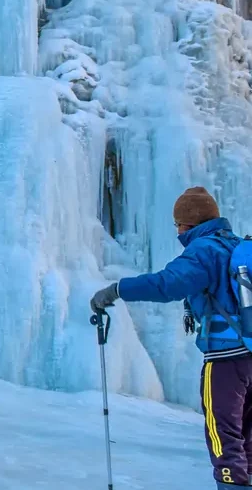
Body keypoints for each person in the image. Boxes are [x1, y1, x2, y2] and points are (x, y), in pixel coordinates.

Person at [91, 187, 249, 489]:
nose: (177, 231)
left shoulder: (205, 249)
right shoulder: (236, 246)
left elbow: (168, 284)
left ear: (188, 224)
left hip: (226, 360)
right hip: (251, 355)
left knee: (223, 434)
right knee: (248, 435)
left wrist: (117, 290)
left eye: (178, 224)